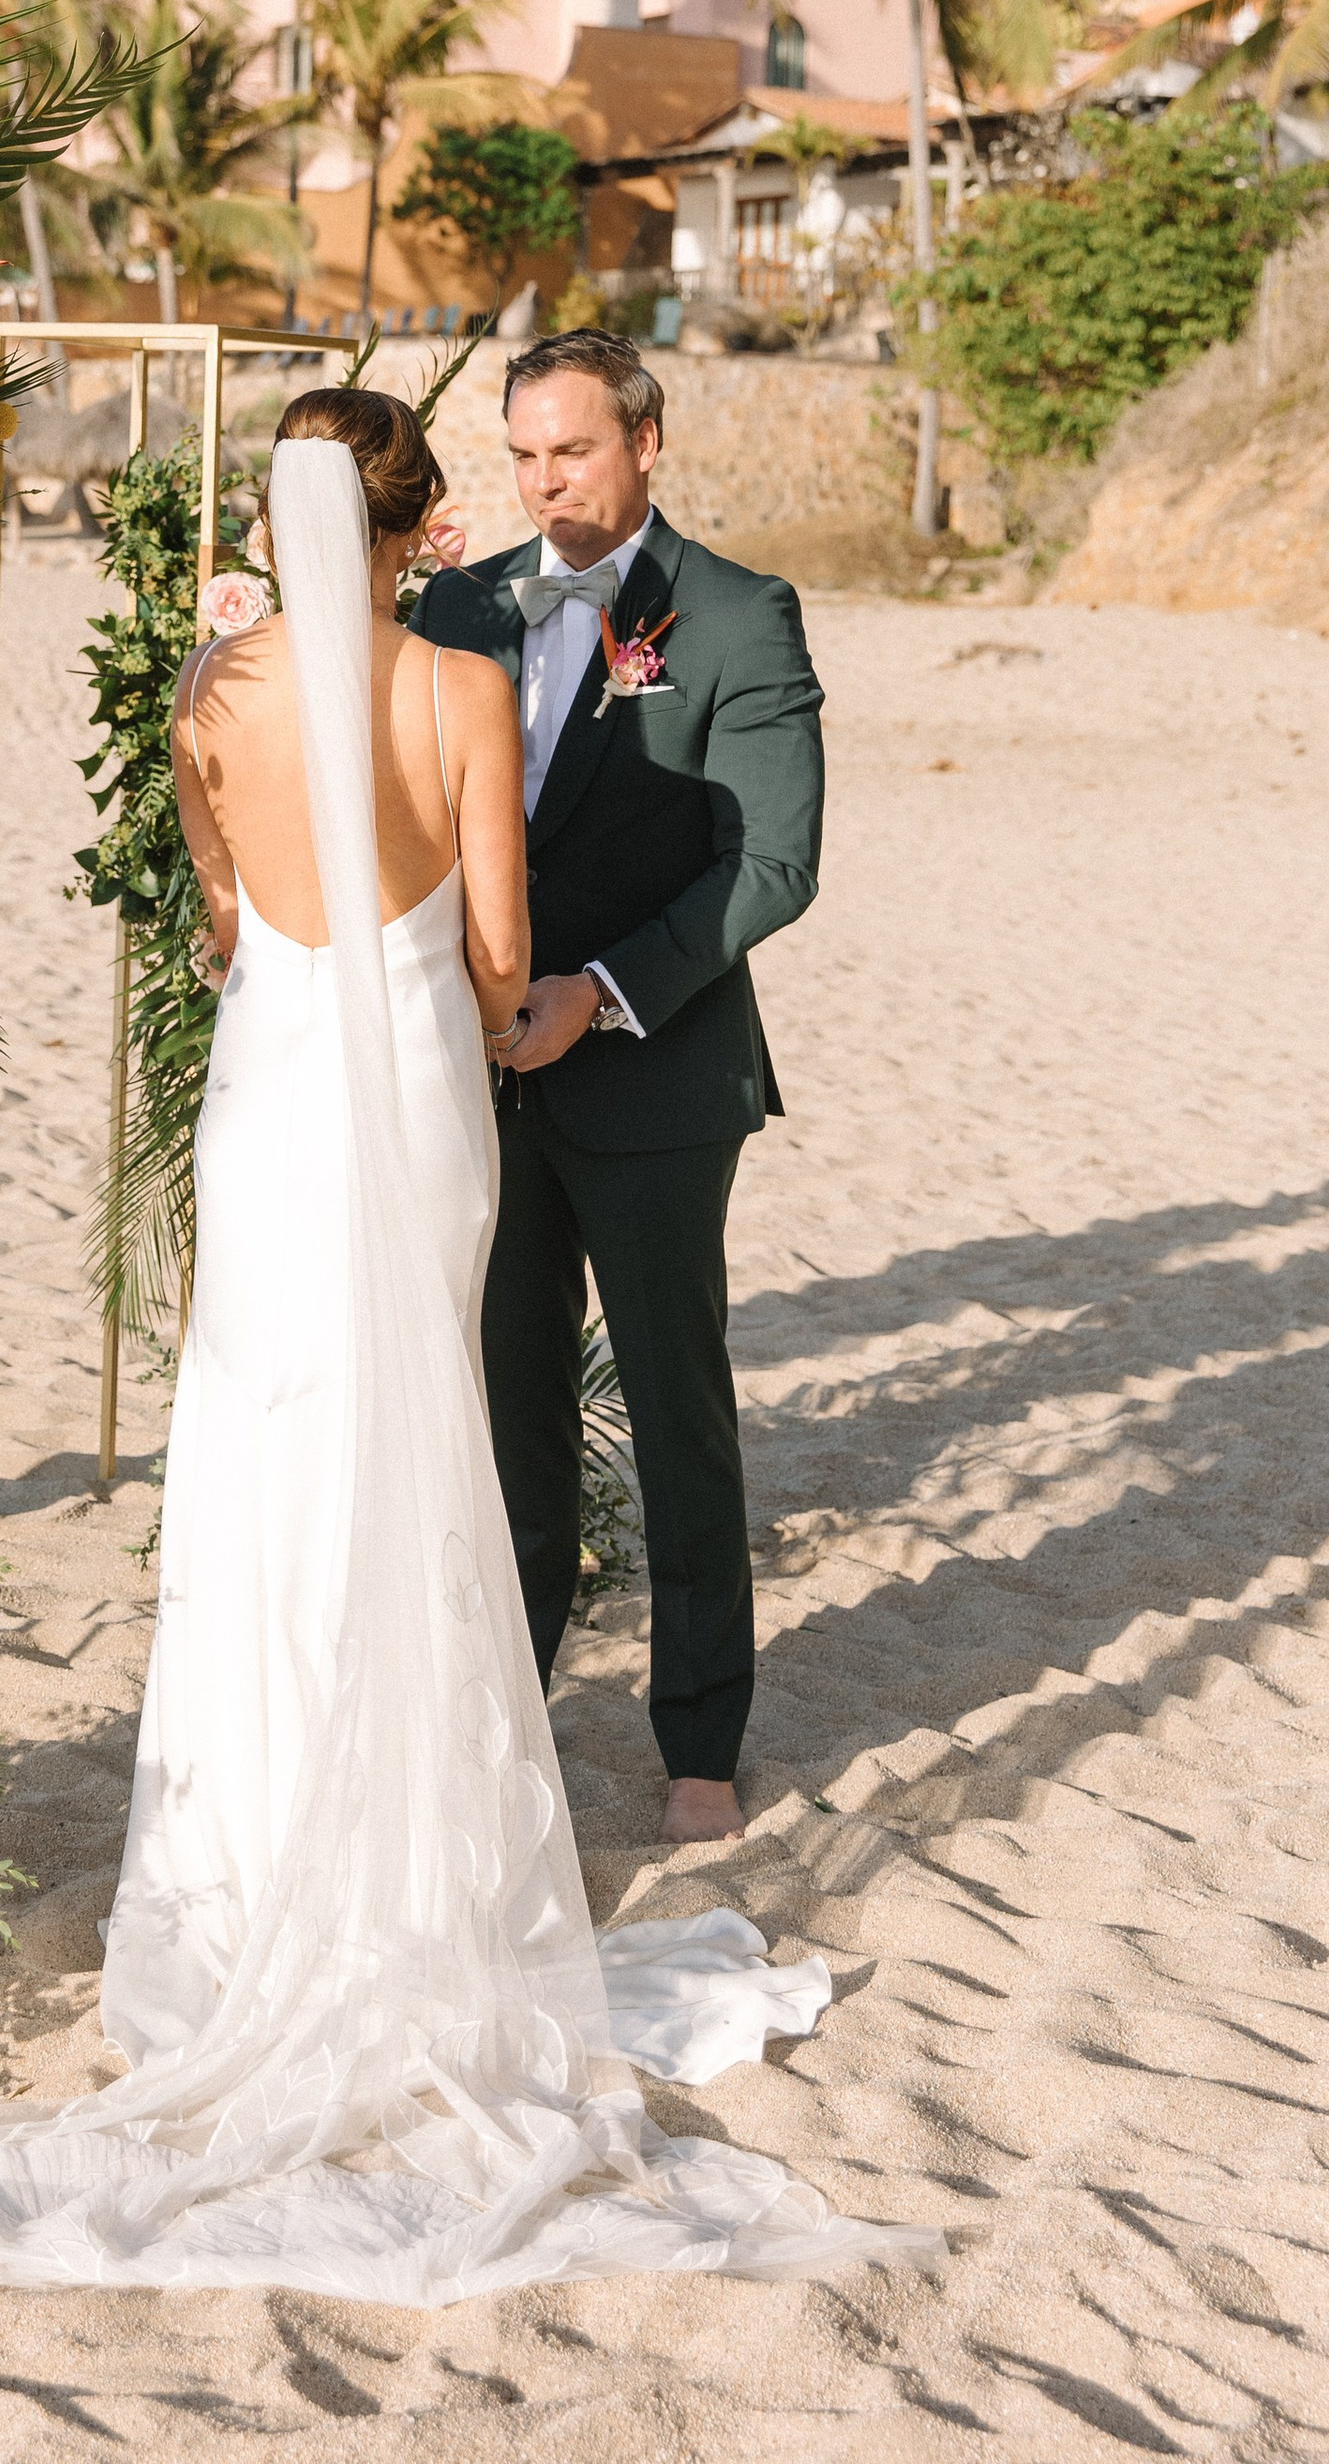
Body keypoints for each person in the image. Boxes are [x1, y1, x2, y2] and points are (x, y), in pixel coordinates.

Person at [0, 393, 919, 2299]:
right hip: (417, 1095)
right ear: (423, 517)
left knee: (260, 1454)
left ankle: (227, 1895)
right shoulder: (460, 686)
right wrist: (450, 979)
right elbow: (492, 958)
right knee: (426, 1441)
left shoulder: (206, 698)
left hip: (273, 1098)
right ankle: (418, 1856)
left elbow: (227, 921)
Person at [416, 325, 825, 1849]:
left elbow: (771, 866)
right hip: (486, 1083)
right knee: (511, 1414)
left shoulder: (735, 615)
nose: (547, 484)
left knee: (675, 1417)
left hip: (657, 1084)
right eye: (522, 458)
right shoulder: (461, 604)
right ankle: (510, 1719)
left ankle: (701, 1737)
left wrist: (606, 993)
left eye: (572, 452)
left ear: (648, 442)